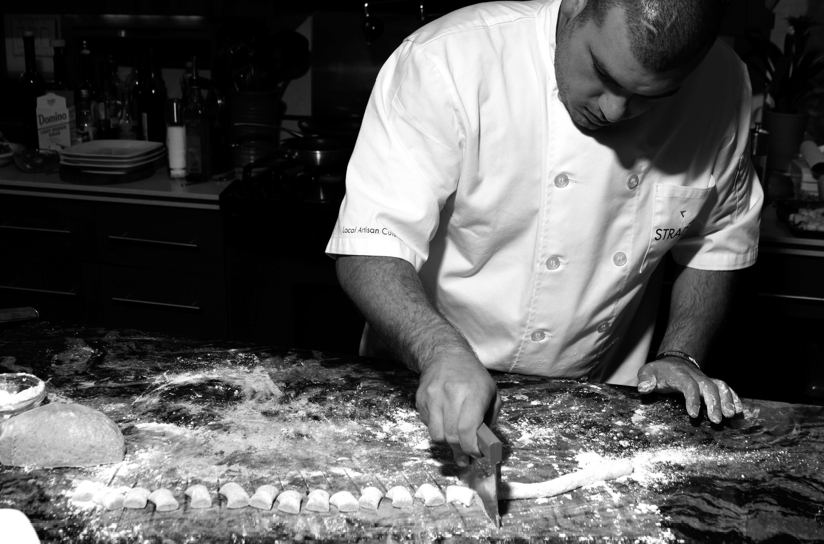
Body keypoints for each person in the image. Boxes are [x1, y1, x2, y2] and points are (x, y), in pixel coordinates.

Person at [326, 0, 763, 467]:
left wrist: (681, 355)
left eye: (652, 96)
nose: (614, 110)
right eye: (604, 73)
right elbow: (370, 247)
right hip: (425, 376)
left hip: (598, 402)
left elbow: (718, 238)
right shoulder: (446, 60)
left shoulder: (723, 84)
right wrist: (439, 351)